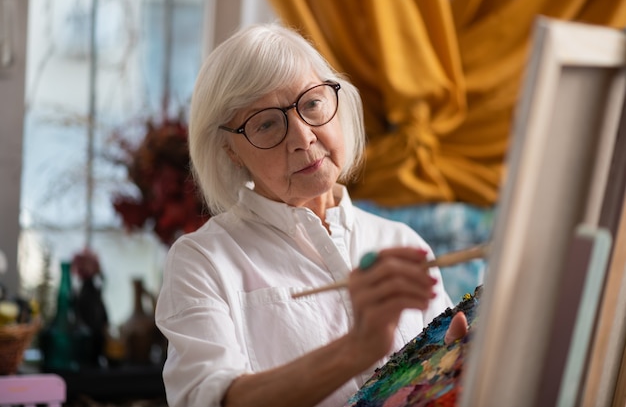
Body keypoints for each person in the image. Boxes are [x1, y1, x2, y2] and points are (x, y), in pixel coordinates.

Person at [155, 22, 467, 407]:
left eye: (312, 103)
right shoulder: (202, 261)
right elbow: (207, 399)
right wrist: (357, 348)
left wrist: (451, 372)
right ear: (230, 151)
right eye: (267, 123)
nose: (303, 136)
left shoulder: (401, 243)